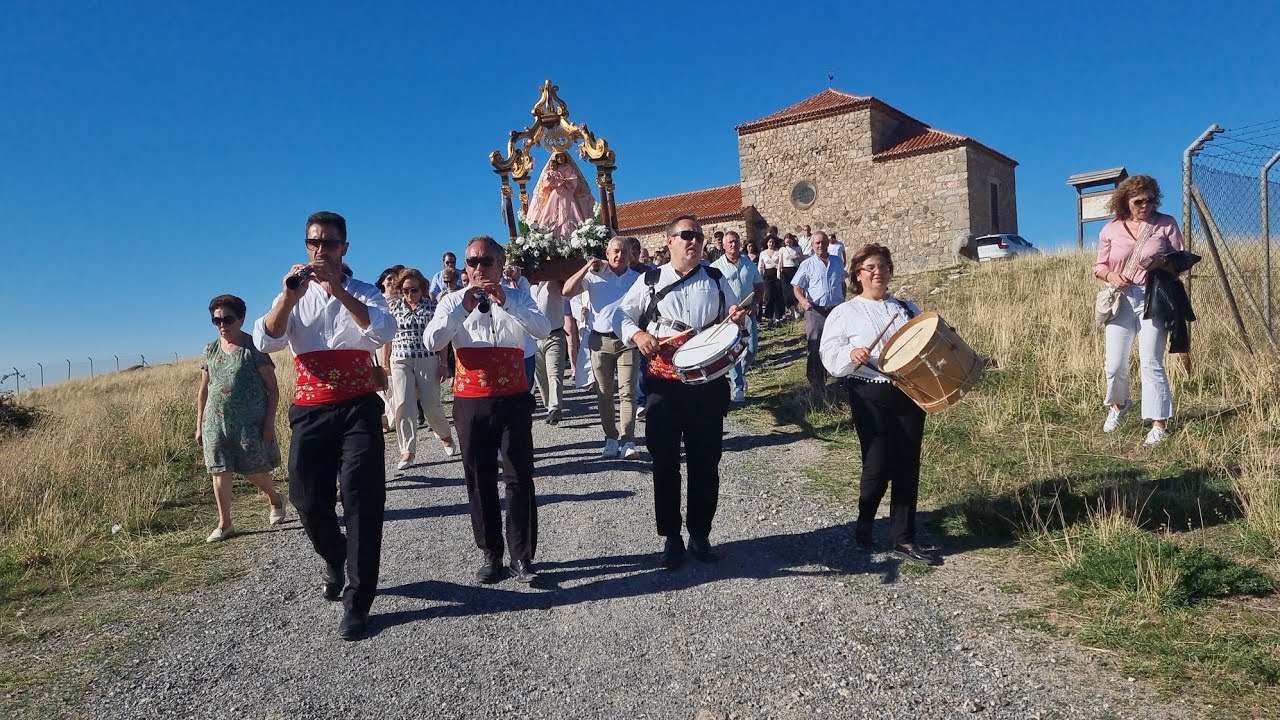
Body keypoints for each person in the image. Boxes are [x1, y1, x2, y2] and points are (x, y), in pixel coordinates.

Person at [253, 211, 396, 641]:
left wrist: (338, 291)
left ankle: (358, 601)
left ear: (344, 248)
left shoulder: (366, 291)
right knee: (307, 499)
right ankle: (334, 557)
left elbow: (381, 329)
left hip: (357, 407)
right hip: (311, 408)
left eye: (329, 244)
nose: (320, 250)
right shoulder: (295, 294)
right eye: (313, 243)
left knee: (361, 500)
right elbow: (268, 339)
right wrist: (286, 298)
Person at [619, 215, 748, 569]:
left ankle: (700, 535)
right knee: (665, 464)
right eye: (685, 235)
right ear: (670, 240)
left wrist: (738, 319)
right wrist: (637, 335)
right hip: (664, 384)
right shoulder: (649, 279)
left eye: (698, 236)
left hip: (707, 384)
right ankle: (672, 538)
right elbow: (622, 316)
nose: (693, 241)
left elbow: (737, 322)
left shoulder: (718, 280)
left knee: (706, 463)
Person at [424, 235, 552, 584]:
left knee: (519, 476)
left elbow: (542, 330)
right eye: (471, 262)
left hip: (512, 396)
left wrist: (508, 301)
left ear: (500, 263)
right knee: (478, 478)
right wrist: (462, 308)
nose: (478, 268)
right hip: (472, 399)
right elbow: (432, 340)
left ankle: (522, 556)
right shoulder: (451, 301)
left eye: (485, 261)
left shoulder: (519, 296)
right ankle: (490, 554)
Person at [818, 243, 936, 565]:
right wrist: (850, 355)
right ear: (858, 274)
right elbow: (828, 353)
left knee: (908, 464)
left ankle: (903, 537)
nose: (877, 272)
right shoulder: (845, 312)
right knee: (878, 463)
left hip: (910, 391)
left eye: (882, 266)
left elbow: (921, 343)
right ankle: (865, 524)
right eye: (870, 267)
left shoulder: (906, 307)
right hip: (870, 393)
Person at [1093, 174, 1184, 445]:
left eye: (1151, 200)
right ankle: (1119, 405)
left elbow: (1182, 260)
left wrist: (1160, 262)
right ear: (1126, 201)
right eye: (1139, 201)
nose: (1146, 206)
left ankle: (1159, 423)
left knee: (1151, 361)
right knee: (1115, 363)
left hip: (1154, 298)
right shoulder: (1111, 229)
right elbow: (1098, 266)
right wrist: (1111, 276)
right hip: (1121, 300)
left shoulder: (1166, 224)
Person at [197, 294, 285, 543]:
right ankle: (225, 523)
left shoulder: (254, 348)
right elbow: (204, 389)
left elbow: (273, 388)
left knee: (253, 470)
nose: (222, 325)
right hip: (215, 421)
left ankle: (275, 498)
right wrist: (199, 423)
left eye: (228, 319)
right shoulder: (210, 350)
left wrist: (269, 423)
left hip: (250, 423)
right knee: (220, 470)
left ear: (241, 318)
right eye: (217, 321)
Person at [564, 237, 642, 458]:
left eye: (624, 252)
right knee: (604, 393)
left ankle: (628, 441)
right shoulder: (594, 277)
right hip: (600, 342)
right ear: (607, 254)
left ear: (631, 255)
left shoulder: (638, 279)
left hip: (627, 341)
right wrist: (588, 266)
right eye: (615, 251)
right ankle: (610, 437)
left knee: (627, 392)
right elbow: (567, 291)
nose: (620, 256)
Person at [384, 268, 455, 470]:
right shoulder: (393, 308)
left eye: (413, 290)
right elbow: (387, 338)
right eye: (405, 290)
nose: (409, 294)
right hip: (400, 360)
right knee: (404, 405)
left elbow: (442, 339)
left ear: (422, 288)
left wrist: (443, 364)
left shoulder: (433, 307)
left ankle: (445, 436)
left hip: (427, 359)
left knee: (431, 405)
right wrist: (384, 364)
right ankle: (408, 451)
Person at [712, 231, 764, 403]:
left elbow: (759, 284)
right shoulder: (716, 267)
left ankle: (740, 372)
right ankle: (738, 388)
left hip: (748, 312)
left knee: (752, 349)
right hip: (729, 316)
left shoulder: (748, 263)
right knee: (733, 353)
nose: (733, 244)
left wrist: (756, 303)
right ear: (724, 245)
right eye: (730, 242)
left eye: (735, 241)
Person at [792, 232, 846, 390]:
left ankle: (840, 377)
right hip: (815, 311)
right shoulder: (807, 264)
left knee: (839, 343)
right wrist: (803, 301)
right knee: (815, 345)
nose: (820, 245)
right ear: (813, 245)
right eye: (817, 243)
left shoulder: (837, 261)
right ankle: (817, 382)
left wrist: (843, 299)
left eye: (822, 242)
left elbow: (842, 282)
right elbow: (796, 287)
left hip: (835, 310)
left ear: (828, 243)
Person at [527, 151, 595, 239]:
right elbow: (546, 181)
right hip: (556, 192)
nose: (560, 159)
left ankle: (574, 234)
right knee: (551, 213)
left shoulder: (568, 167)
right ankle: (550, 234)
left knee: (570, 212)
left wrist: (566, 181)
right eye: (558, 157)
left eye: (561, 157)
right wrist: (551, 180)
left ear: (565, 157)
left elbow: (574, 179)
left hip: (567, 193)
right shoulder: (554, 168)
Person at [531, 279, 568, 424]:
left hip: (555, 334)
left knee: (554, 373)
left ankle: (555, 408)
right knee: (540, 376)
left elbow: (565, 286)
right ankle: (549, 405)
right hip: (534, 337)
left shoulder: (554, 282)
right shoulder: (528, 285)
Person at [757, 235, 786, 327]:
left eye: (773, 242)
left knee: (777, 296)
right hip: (767, 275)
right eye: (769, 242)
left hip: (776, 274)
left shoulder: (778, 252)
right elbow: (760, 266)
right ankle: (769, 317)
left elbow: (781, 263)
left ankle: (778, 318)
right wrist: (759, 278)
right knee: (769, 296)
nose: (771, 244)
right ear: (767, 243)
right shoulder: (763, 253)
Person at [779, 234, 803, 320]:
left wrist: (796, 257)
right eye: (786, 242)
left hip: (794, 270)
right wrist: (778, 271)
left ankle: (796, 308)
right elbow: (780, 261)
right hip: (785, 271)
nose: (788, 243)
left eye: (790, 241)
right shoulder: (782, 249)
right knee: (787, 292)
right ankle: (791, 311)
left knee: (795, 290)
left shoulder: (797, 248)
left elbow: (802, 259)